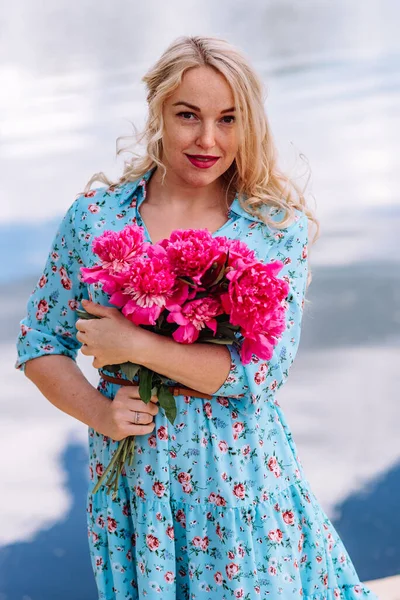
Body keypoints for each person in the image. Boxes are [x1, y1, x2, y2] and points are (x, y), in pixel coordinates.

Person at [15, 35, 379, 600]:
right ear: (158, 112)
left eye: (228, 119)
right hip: (134, 486)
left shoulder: (270, 230)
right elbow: (40, 342)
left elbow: (258, 375)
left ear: (249, 124)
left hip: (242, 483)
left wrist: (133, 345)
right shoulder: (96, 220)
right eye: (188, 116)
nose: (208, 139)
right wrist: (100, 411)